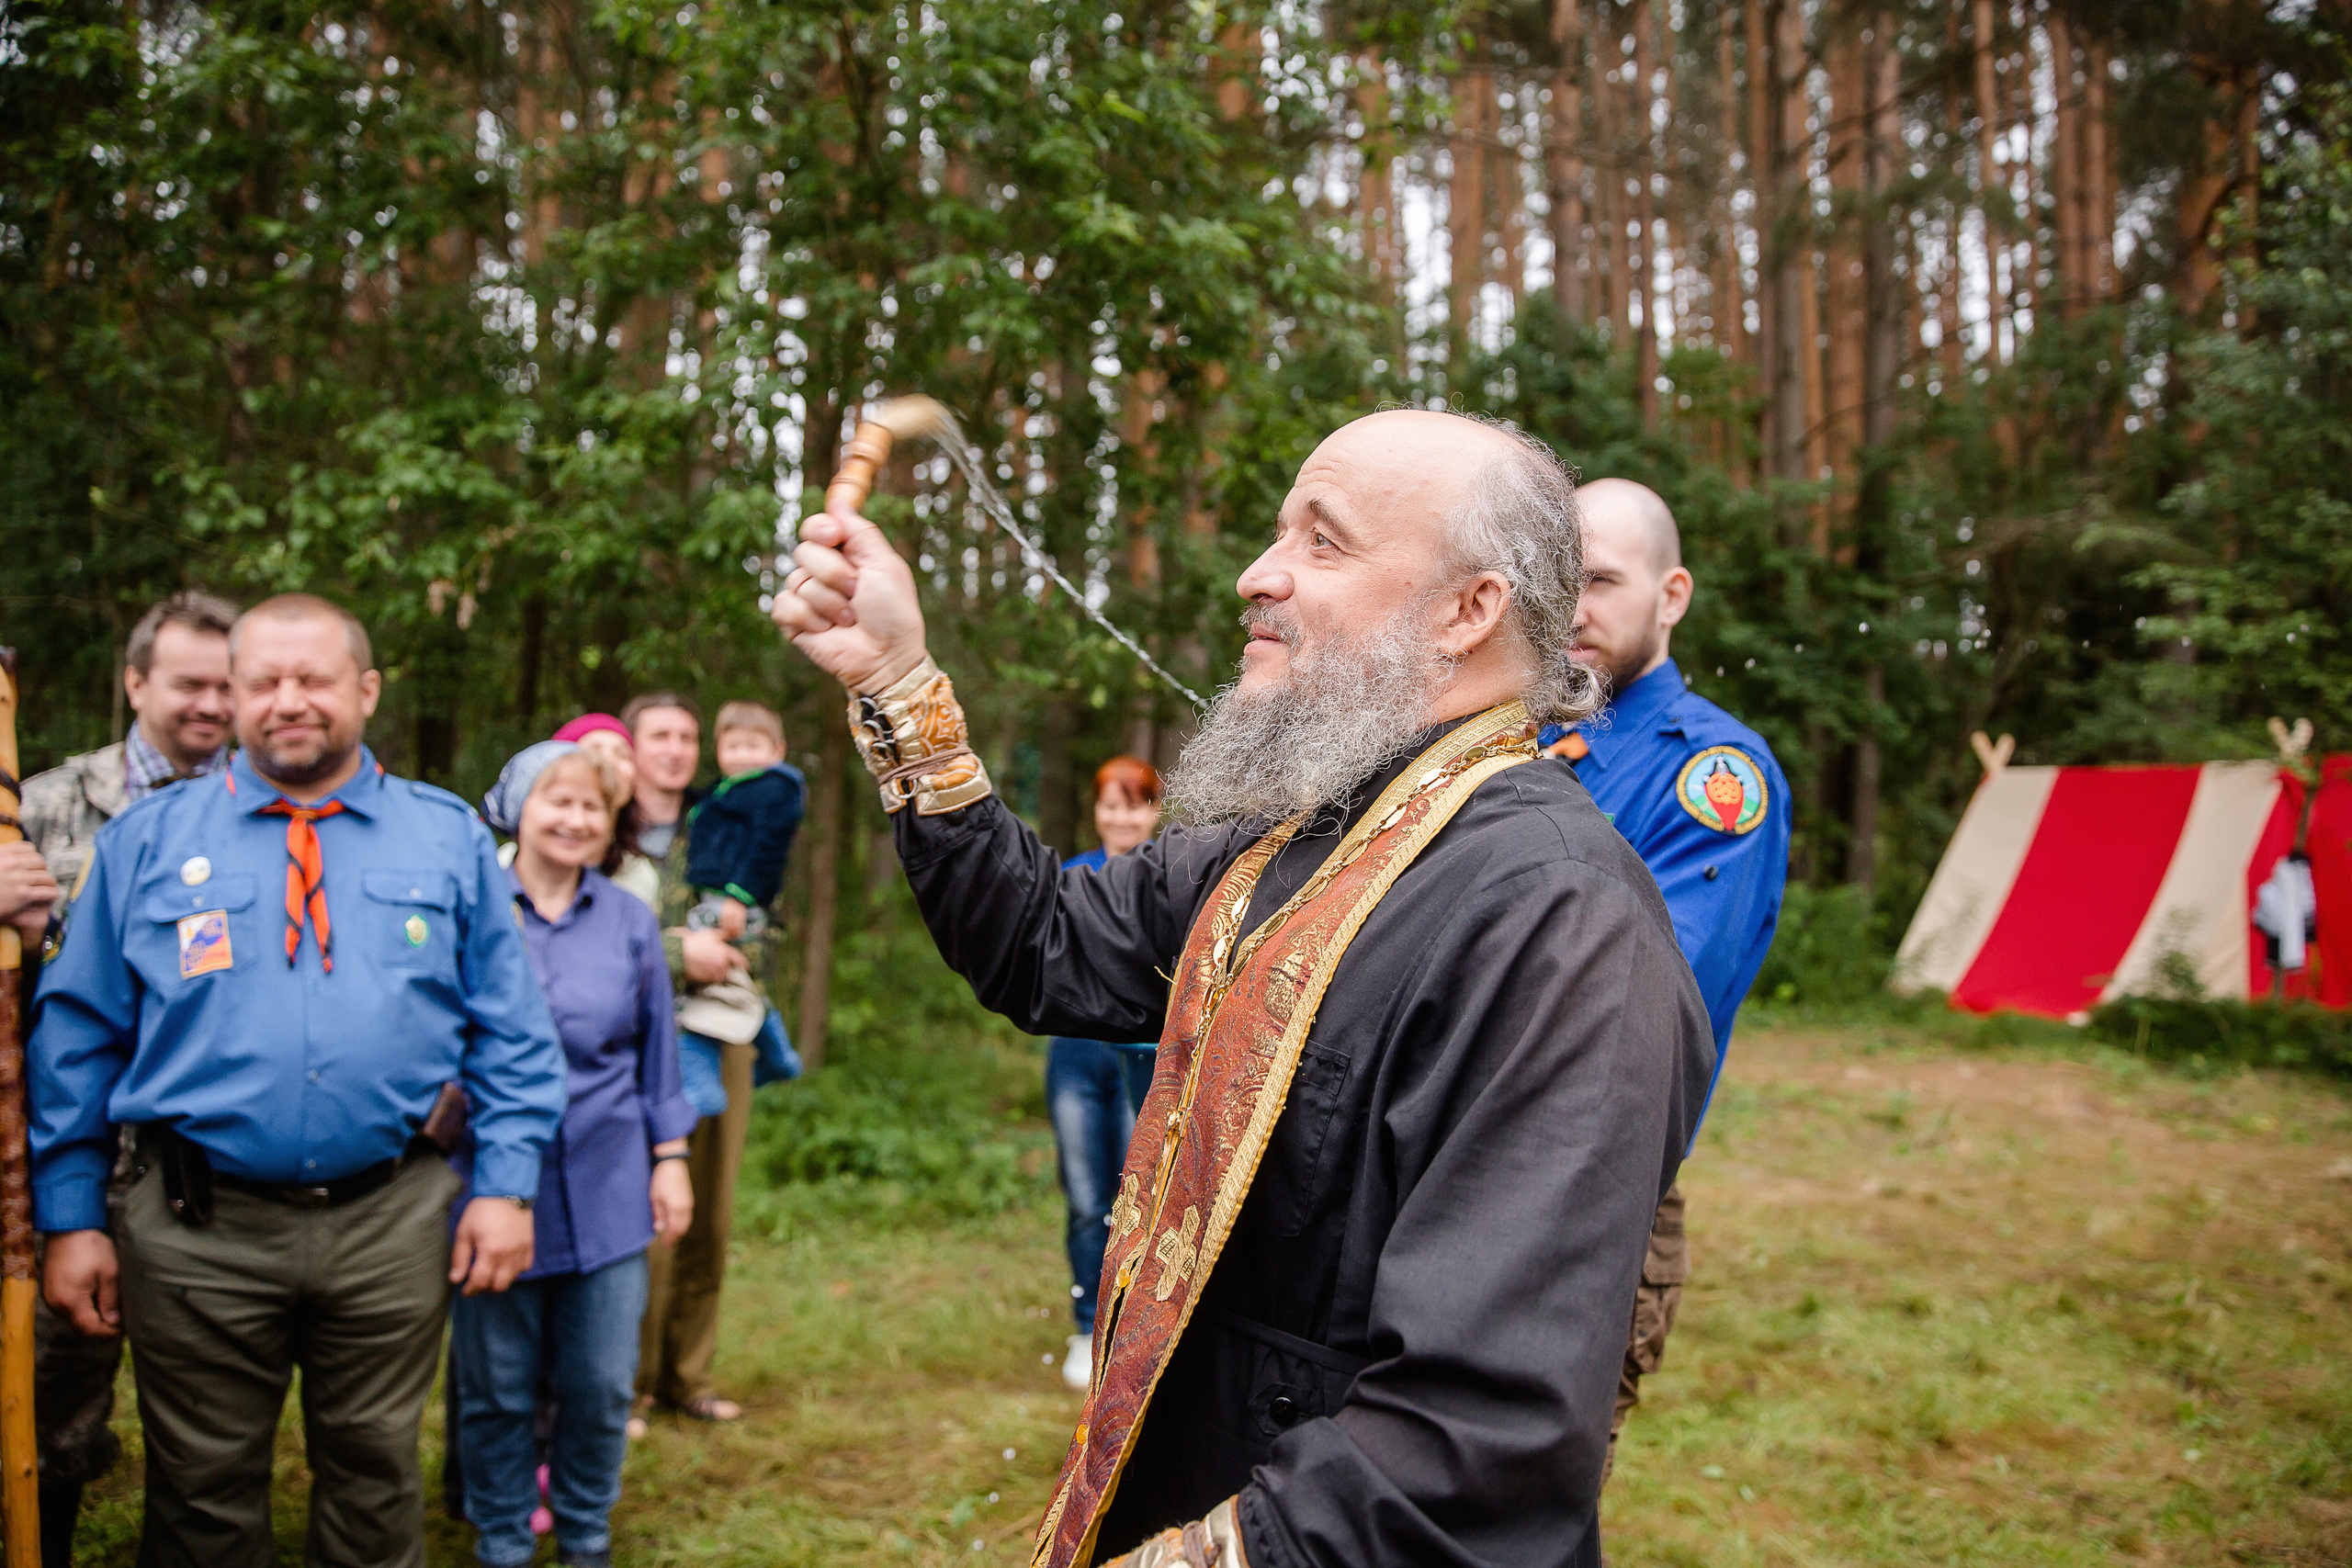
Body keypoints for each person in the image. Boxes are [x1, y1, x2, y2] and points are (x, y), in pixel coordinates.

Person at [776, 409, 1716, 1567]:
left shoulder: (1566, 924)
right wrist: (896, 673)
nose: (1254, 575)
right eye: (1278, 534)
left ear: (1468, 610)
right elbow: (1041, 941)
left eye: (1320, 543)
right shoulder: (1286, 837)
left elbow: (1473, 1445)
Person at [30, 592, 568, 1568]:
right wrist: (71, 1216)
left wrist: (507, 1184)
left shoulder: (442, 837)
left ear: (364, 690)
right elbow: (74, 1034)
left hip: (390, 1219)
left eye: (314, 678)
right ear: (231, 695)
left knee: (373, 1477)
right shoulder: (144, 843)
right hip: (195, 1229)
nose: (290, 700)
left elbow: (512, 1029)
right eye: (264, 680)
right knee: (197, 1495)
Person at [1539, 478, 1792, 1478]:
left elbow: (1638, 1008)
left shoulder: (1712, 776)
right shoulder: (1519, 746)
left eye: (1599, 580)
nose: (1572, 612)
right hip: (1438, 1183)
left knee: (1517, 1517)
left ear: (1671, 594)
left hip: (1593, 1203)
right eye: (1556, 583)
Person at [17, 589, 238, 1568]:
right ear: (135, 681)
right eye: (190, 683)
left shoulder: (265, 808)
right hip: (78, 1147)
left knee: (212, 1413)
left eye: (227, 686)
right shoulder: (47, 802)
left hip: (210, 1165)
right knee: (57, 1396)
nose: (212, 706)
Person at [451, 741, 699, 1568]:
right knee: (494, 1385)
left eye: (593, 806)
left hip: (609, 1179)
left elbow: (657, 1048)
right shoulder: (473, 910)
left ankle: (586, 1530)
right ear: (516, 808)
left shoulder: (629, 918)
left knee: (598, 1384)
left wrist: (671, 1155)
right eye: (557, 800)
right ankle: (501, 1533)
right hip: (488, 1185)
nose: (574, 818)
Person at [622, 691, 759, 1428]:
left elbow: (759, 919)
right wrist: (680, 952)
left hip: (720, 1034)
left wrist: (729, 951)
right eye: (660, 736)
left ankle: (688, 1373)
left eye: (686, 736)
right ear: (634, 745)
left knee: (711, 1209)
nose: (675, 749)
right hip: (633, 1042)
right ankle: (631, 1380)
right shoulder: (609, 827)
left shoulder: (721, 824)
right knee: (649, 1214)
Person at [1046, 756, 1163, 1392]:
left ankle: (1131, 1330)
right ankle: (1084, 1325)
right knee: (1088, 1198)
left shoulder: (1172, 877)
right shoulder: (1071, 877)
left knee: (1137, 1198)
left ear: (1153, 810)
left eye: (1134, 804)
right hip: (1074, 1055)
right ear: (1096, 810)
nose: (1122, 817)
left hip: (1143, 1054)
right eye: (1110, 804)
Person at [673, 699, 806, 1111]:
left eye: (754, 746)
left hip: (731, 901)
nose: (742, 756)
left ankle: (701, 1082)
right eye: (733, 747)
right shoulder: (726, 789)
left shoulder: (776, 789)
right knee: (740, 982)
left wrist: (739, 895)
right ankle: (778, 1055)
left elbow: (767, 849)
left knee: (708, 984)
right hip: (714, 896)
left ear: (777, 751)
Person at [553, 713, 661, 907]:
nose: (609, 762)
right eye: (593, 751)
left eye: (622, 755)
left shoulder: (638, 874)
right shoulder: (509, 863)